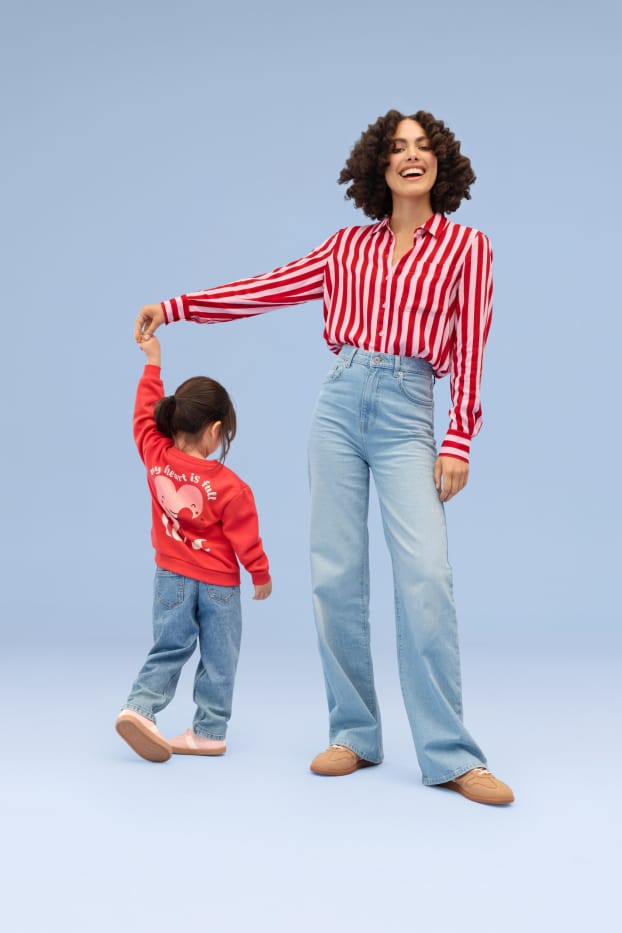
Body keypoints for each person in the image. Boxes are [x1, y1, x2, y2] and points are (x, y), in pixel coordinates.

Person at [134, 109, 513, 804]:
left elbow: (473, 353)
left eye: (423, 147)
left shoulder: (468, 247)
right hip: (339, 404)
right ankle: (354, 734)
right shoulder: (346, 247)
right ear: (379, 165)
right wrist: (177, 306)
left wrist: (459, 439)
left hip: (409, 411)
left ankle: (451, 753)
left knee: (426, 576)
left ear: (441, 162)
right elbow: (267, 287)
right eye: (397, 147)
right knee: (335, 575)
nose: (411, 156)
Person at [116, 332, 272, 763]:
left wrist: (153, 361)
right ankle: (209, 732)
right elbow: (245, 535)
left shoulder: (155, 455)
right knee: (220, 658)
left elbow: (143, 415)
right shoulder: (231, 486)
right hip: (220, 584)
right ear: (215, 431)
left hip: (171, 576)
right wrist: (260, 573)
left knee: (170, 646)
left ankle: (140, 708)